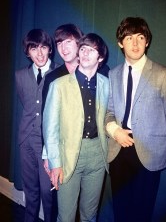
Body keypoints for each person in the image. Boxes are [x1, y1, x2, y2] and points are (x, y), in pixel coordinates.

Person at [105, 17, 166, 222]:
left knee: (141, 213)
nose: (135, 43)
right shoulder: (112, 75)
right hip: (117, 150)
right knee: (120, 211)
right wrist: (114, 131)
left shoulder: (164, 75)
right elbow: (109, 110)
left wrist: (154, 136)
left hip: (149, 155)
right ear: (120, 43)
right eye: (129, 38)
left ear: (147, 41)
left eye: (140, 37)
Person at [42, 33, 109, 222]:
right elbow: (50, 129)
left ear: (101, 57)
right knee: (66, 217)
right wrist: (55, 163)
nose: (85, 53)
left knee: (90, 215)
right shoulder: (59, 85)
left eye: (91, 49)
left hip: (97, 155)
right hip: (68, 156)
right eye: (83, 48)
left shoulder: (106, 84)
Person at [15, 29, 59, 222]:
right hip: (26, 142)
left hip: (48, 144)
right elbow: (27, 104)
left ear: (50, 49)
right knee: (30, 191)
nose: (39, 53)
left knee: (48, 194)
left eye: (43, 47)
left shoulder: (60, 72)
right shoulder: (20, 76)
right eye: (34, 48)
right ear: (28, 52)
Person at [42, 24, 110, 110]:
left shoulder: (102, 71)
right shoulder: (52, 78)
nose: (63, 48)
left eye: (68, 42)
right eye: (59, 43)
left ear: (79, 43)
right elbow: (47, 118)